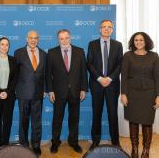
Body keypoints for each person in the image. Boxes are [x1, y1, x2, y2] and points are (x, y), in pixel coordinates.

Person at [46, 29, 88, 154]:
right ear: (58, 39)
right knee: (57, 118)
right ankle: (55, 142)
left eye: (66, 38)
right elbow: (48, 74)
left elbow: (83, 73)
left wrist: (84, 89)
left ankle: (73, 142)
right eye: (61, 38)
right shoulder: (52, 52)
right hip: (59, 92)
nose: (64, 40)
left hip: (75, 91)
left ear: (70, 38)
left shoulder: (80, 52)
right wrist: (50, 90)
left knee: (74, 118)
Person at [121, 32, 159, 158]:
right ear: (133, 42)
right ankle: (135, 149)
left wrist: (158, 95)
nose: (138, 42)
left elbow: (157, 77)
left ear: (146, 41)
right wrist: (123, 94)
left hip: (149, 93)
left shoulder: (154, 56)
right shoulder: (127, 55)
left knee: (147, 121)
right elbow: (124, 77)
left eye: (141, 40)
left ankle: (146, 150)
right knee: (133, 120)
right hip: (132, 93)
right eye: (136, 40)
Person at [87, 20, 123, 150]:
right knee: (97, 113)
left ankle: (116, 142)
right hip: (97, 84)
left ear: (112, 30)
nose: (106, 29)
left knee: (113, 114)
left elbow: (120, 64)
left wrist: (110, 78)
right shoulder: (92, 44)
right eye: (104, 27)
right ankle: (95, 142)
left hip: (112, 85)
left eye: (109, 27)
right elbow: (89, 63)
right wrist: (99, 78)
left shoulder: (118, 45)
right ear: (99, 29)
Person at [14, 30, 46, 155]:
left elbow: (46, 75)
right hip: (23, 92)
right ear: (27, 39)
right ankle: (23, 144)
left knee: (37, 121)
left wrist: (45, 89)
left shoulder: (44, 54)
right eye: (31, 38)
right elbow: (14, 74)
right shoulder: (18, 53)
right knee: (23, 120)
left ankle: (36, 144)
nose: (33, 40)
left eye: (35, 38)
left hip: (38, 93)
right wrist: (15, 90)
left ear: (38, 39)